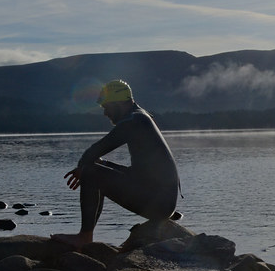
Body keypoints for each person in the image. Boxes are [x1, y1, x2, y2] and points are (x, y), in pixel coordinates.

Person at [53, 79, 180, 249]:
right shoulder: (140, 116)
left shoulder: (135, 120)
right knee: (96, 167)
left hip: (159, 203)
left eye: (107, 107)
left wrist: (84, 168)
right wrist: (101, 164)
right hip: (158, 198)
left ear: (119, 103)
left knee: (92, 172)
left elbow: (96, 149)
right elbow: (136, 174)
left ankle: (84, 237)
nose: (105, 113)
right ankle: (86, 235)